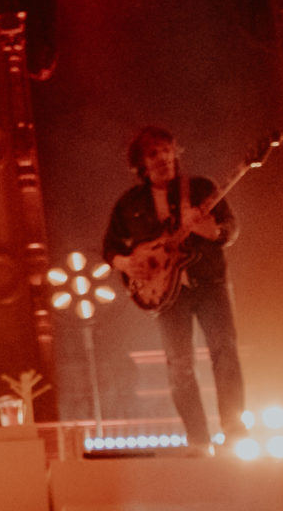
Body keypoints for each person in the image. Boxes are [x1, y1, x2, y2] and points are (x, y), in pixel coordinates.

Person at [102, 127, 244, 450]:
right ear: (141, 163)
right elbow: (109, 247)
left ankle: (235, 430)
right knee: (179, 364)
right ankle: (198, 439)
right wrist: (127, 264)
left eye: (167, 150)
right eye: (153, 154)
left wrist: (209, 229)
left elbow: (230, 229)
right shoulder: (128, 204)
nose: (163, 158)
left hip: (209, 284)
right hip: (165, 295)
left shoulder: (201, 188)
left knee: (224, 351)